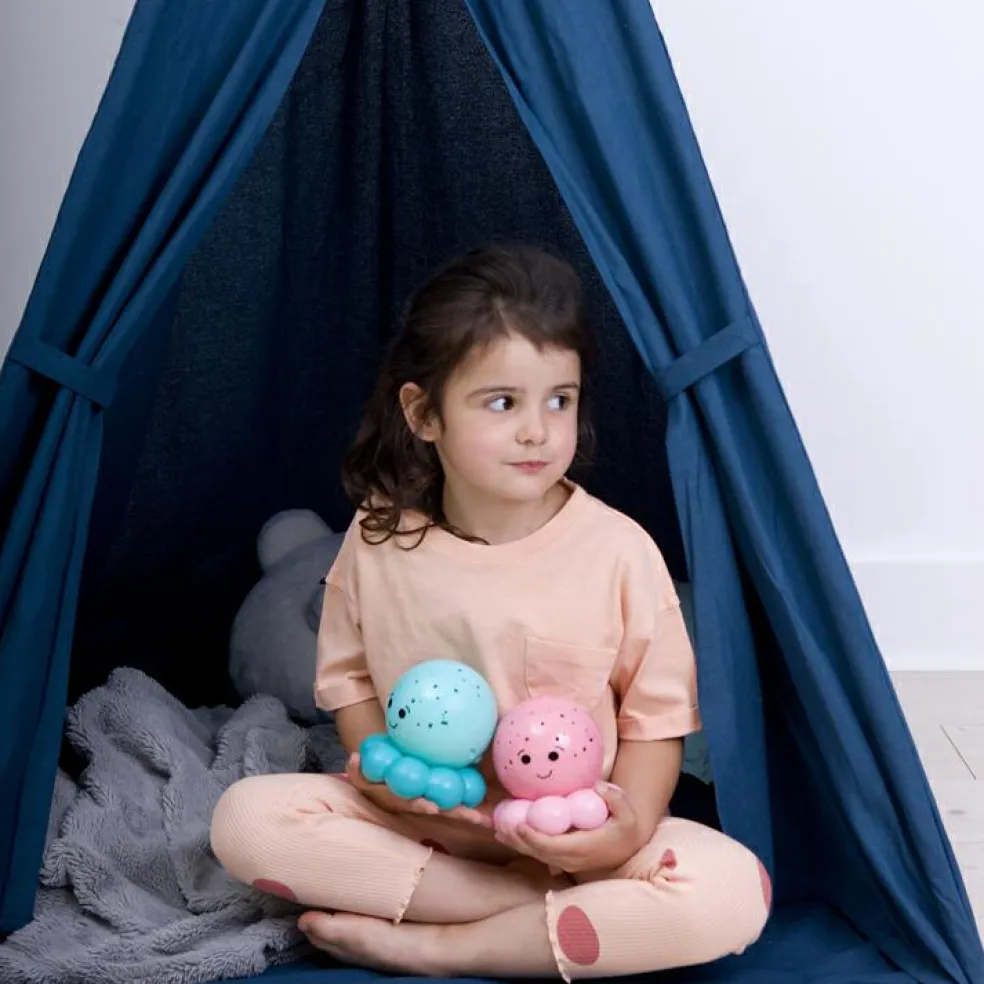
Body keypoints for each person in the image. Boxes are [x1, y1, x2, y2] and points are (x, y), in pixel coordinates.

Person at [210, 245, 771, 980]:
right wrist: (382, 770)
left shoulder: (619, 551)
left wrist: (623, 829)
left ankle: (442, 945)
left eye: (559, 400)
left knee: (731, 894)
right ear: (424, 414)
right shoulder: (379, 539)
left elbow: (654, 719)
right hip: (425, 828)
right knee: (245, 822)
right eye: (503, 403)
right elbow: (350, 680)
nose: (538, 430)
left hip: (573, 839)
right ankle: (521, 910)